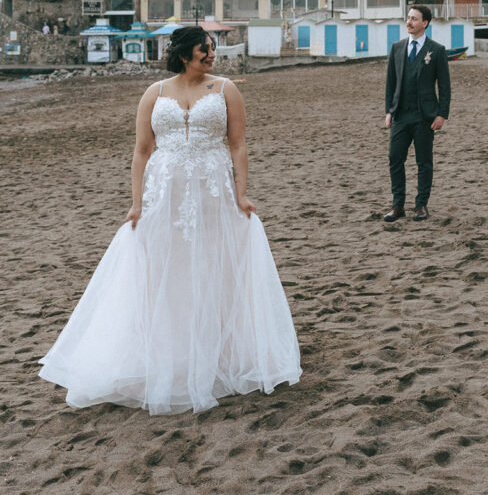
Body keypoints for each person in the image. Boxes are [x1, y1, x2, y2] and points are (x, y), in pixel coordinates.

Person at [39, 26, 301, 414]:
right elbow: (142, 151)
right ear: (183, 54)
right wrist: (136, 203)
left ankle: (216, 353)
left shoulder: (227, 89)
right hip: (166, 192)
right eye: (204, 50)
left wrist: (242, 194)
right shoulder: (155, 93)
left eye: (212, 49)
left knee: (213, 268)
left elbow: (238, 144)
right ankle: (170, 353)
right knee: (167, 271)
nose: (211, 55)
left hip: (213, 192)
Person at [384, 5, 451, 223]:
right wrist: (388, 111)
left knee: (424, 162)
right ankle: (398, 205)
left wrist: (442, 114)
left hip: (425, 117)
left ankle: (421, 205)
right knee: (395, 159)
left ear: (425, 23)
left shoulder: (437, 50)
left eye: (414, 18)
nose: (409, 22)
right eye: (408, 18)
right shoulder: (397, 48)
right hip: (400, 116)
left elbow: (445, 85)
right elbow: (390, 83)